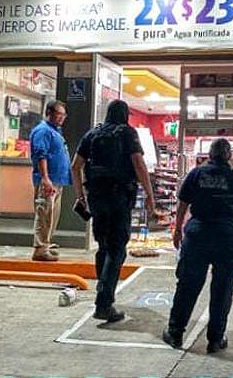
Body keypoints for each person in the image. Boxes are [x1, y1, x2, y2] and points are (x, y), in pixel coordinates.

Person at [162, 138, 233, 354]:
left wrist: (178, 230)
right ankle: (215, 339)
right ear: (229, 156)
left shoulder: (196, 174)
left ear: (209, 156)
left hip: (198, 236)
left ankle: (175, 333)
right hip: (228, 237)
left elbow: (182, 205)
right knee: (223, 289)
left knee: (188, 284)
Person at [72, 99, 155, 323]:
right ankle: (104, 303)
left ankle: (103, 292)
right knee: (117, 249)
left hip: (96, 197)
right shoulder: (128, 133)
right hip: (119, 197)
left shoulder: (92, 134)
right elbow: (139, 165)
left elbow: (75, 166)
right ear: (125, 114)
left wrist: (81, 196)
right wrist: (150, 194)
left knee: (104, 246)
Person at [29, 100, 72, 262]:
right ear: (49, 112)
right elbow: (41, 155)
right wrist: (45, 178)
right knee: (44, 213)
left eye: (63, 115)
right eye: (59, 114)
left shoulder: (55, 131)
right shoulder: (43, 131)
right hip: (48, 180)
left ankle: (46, 246)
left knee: (52, 214)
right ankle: (40, 248)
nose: (62, 117)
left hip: (57, 179)